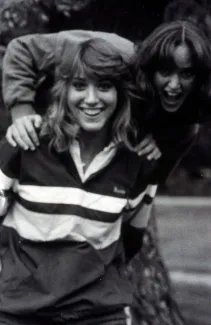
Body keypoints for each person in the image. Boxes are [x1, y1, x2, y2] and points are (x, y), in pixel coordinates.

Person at [4, 22, 211, 324]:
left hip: (97, 292)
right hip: (49, 149)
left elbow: (135, 219)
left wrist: (158, 147)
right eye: (165, 71)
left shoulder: (186, 124)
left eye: (187, 74)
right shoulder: (111, 53)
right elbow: (21, 50)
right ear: (146, 67)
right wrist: (22, 116)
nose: (174, 85)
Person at [0, 37, 157, 325]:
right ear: (63, 92)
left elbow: (129, 243)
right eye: (80, 86)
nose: (92, 99)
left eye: (105, 87)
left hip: (98, 314)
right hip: (18, 312)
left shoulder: (139, 164)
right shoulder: (25, 145)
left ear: (121, 94)